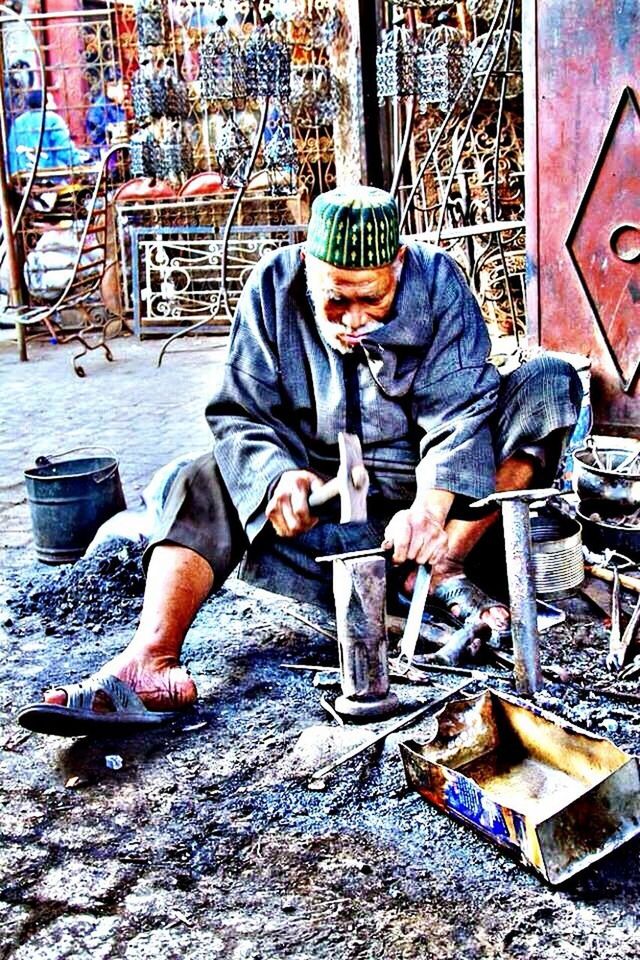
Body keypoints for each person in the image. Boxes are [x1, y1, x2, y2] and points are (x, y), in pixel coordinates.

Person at [19, 186, 582, 734]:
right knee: (198, 476)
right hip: (320, 509)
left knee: (547, 383)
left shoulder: (437, 283)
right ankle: (152, 659)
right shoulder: (273, 285)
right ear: (309, 267)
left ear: (399, 265)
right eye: (337, 298)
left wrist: (432, 509)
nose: (354, 318)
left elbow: (463, 410)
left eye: (372, 298)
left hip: (429, 513)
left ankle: (438, 573)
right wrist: (276, 479)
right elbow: (238, 413)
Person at [7, 89, 91, 176]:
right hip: (46, 174)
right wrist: (79, 161)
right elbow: (64, 150)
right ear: (45, 103)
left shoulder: (17, 122)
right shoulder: (52, 119)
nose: (55, 105)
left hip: (19, 174)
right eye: (52, 101)